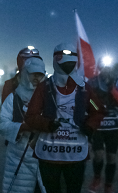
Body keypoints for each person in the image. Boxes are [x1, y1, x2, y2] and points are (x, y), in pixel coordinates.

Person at [25, 43, 104, 193]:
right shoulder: (45, 87)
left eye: (71, 61)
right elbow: (31, 116)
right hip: (50, 155)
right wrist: (47, 124)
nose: (68, 66)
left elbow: (97, 110)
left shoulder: (84, 88)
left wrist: (90, 125)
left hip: (75, 154)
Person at [0, 57, 47, 193]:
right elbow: (2, 124)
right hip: (18, 156)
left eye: (40, 74)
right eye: (33, 74)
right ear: (25, 73)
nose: (37, 78)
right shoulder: (13, 98)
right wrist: (23, 127)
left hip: (44, 155)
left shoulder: (50, 97)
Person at [87, 58, 118, 193]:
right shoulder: (93, 82)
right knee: (99, 154)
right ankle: (96, 178)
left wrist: (114, 91)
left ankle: (108, 184)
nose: (106, 70)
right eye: (104, 67)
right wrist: (98, 108)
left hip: (113, 124)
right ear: (100, 68)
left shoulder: (117, 82)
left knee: (112, 157)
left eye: (109, 68)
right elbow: (89, 99)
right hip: (99, 124)